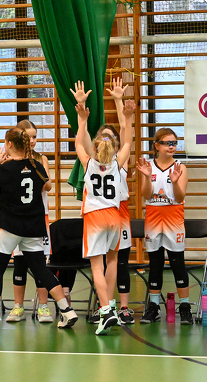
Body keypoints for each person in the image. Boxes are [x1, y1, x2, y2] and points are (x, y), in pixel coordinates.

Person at [0, 128, 78, 331]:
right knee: (41, 270)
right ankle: (67, 310)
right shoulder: (36, 166)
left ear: (8, 144)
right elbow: (46, 186)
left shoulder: (5, 168)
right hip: (33, 227)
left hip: (9, 226)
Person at [72, 78, 136, 325]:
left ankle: (106, 309)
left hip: (96, 216)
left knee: (98, 267)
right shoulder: (118, 164)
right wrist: (126, 113)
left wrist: (82, 118)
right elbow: (128, 139)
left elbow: (79, 142)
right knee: (113, 261)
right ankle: (108, 308)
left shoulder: (89, 163)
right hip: (114, 215)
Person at [136, 128, 192, 325]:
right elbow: (145, 195)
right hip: (153, 215)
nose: (171, 147)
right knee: (155, 263)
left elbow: (180, 196)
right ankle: (154, 306)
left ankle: (185, 306)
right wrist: (145, 177)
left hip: (173, 216)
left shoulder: (180, 167)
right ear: (157, 145)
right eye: (167, 143)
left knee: (177, 262)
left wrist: (175, 182)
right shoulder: (148, 166)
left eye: (174, 143)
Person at [6, 119, 55, 324]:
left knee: (40, 264)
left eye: (35, 136)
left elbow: (48, 186)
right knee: (19, 263)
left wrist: (37, 174)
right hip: (18, 217)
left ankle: (43, 306)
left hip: (38, 216)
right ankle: (18, 306)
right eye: (29, 137)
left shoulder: (41, 159)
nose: (32, 140)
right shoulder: (10, 160)